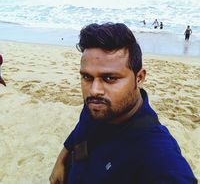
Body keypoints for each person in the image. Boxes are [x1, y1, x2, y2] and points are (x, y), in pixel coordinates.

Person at [49, 23, 197, 184]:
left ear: (139, 78)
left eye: (110, 78)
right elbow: (82, 126)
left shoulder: (157, 155)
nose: (94, 90)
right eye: (87, 77)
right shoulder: (98, 105)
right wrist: (61, 158)